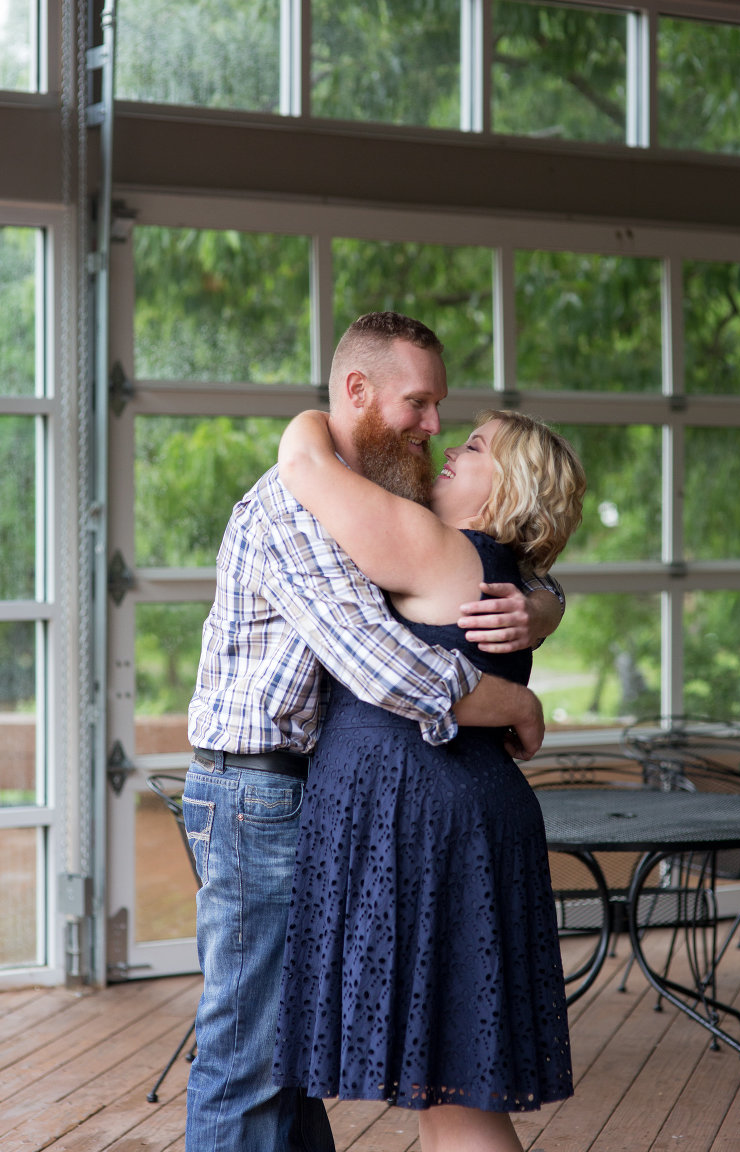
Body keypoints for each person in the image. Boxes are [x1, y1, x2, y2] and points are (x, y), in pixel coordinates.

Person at [184, 312, 565, 1152]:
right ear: (356, 392)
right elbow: (387, 670)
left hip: (309, 795)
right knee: (248, 1064)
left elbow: (493, 553)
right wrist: (518, 704)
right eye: (421, 405)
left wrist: (543, 603)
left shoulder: (375, 498)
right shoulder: (300, 503)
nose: (433, 428)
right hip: (256, 790)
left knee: (290, 1066)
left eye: (447, 419)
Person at [273, 406, 586, 1152]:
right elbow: (541, 593)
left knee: (456, 1103)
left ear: (508, 485)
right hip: (457, 816)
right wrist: (547, 607)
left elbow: (305, 464)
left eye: (474, 447)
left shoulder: (436, 548)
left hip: (433, 825)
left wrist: (330, 410)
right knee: (447, 1098)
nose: (449, 446)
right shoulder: (502, 569)